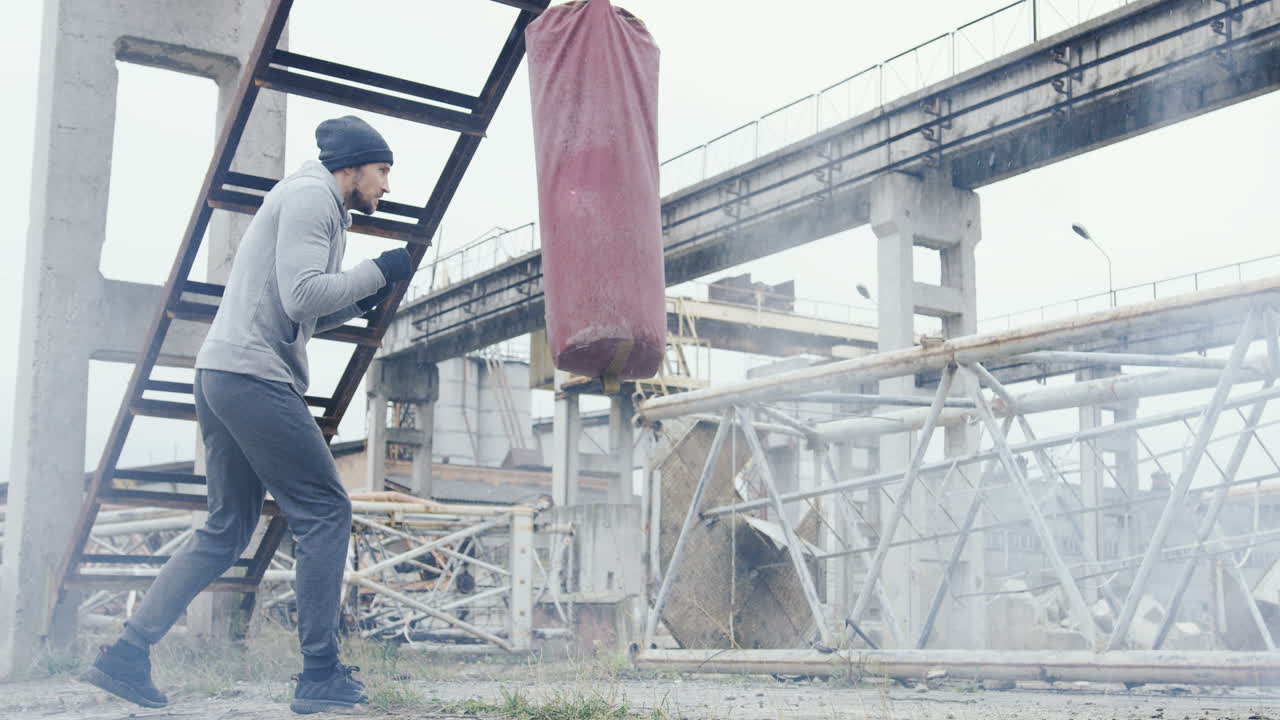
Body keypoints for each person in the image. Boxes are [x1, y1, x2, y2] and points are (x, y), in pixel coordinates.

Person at [80, 116, 414, 715]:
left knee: (228, 526)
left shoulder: (313, 202)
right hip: (252, 376)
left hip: (222, 373)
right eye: (383, 170)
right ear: (354, 167)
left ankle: (126, 655)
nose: (387, 185)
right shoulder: (314, 196)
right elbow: (305, 296)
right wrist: (378, 271)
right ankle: (319, 673)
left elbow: (299, 316)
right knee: (324, 509)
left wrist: (364, 296)